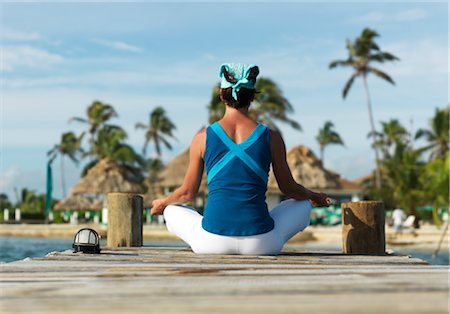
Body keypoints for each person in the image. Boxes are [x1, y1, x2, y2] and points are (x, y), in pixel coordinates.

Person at [151, 63, 330, 255]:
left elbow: (187, 193)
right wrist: (313, 196)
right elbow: (289, 189)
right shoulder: (272, 137)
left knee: (172, 210)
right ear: (253, 96)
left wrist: (162, 203)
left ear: (221, 95)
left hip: (211, 242)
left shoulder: (202, 137)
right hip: (262, 243)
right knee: (302, 204)